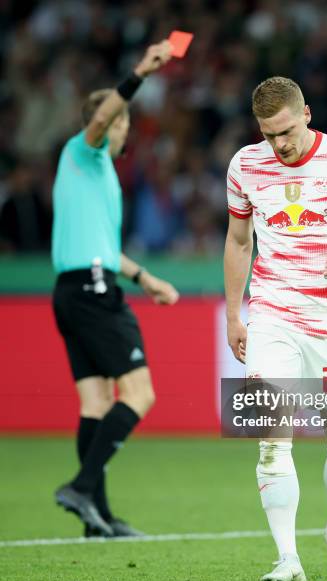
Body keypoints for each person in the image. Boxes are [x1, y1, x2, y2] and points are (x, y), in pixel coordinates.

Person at [224, 77, 327, 581]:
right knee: (272, 433)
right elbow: (237, 241)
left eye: (286, 131)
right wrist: (235, 313)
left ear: (307, 114)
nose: (279, 145)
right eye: (269, 135)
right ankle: (287, 559)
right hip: (271, 312)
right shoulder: (245, 165)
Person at [52, 41, 179, 537]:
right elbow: (102, 119)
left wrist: (145, 278)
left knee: (96, 404)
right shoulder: (84, 151)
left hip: (70, 288)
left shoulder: (94, 175)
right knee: (141, 394)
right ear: (114, 124)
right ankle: (83, 487)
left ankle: (95, 518)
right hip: (92, 290)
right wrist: (139, 74)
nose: (122, 131)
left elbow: (102, 246)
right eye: (121, 122)